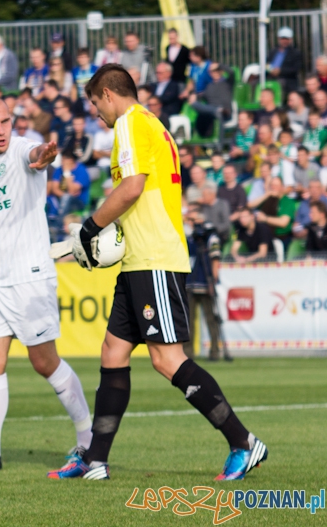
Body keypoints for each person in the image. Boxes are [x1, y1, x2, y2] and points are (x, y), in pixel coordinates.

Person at [55, 65, 266, 481]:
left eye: (96, 105)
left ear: (109, 95)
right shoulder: (153, 124)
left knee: (167, 360)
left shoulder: (130, 123)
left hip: (155, 259)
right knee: (112, 353)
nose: (97, 115)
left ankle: (243, 442)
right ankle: (95, 459)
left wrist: (90, 227)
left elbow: (132, 187)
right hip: (138, 260)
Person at [0, 94, 92, 473]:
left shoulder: (23, 148)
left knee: (44, 362)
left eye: (5, 121)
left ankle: (88, 440)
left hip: (29, 277)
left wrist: (45, 155)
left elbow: (35, 155)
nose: (1, 130)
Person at [183, 207, 223, 360]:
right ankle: (188, 352)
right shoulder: (189, 236)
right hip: (190, 282)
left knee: (211, 319)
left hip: (205, 281)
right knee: (189, 321)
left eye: (193, 220)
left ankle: (214, 350)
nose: (191, 223)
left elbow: (215, 258)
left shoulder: (210, 236)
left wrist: (213, 279)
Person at [188, 62, 232, 136]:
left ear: (220, 71)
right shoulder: (209, 86)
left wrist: (219, 65)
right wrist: (194, 95)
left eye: (217, 70)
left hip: (225, 112)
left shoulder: (227, 83)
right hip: (211, 111)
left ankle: (218, 110)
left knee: (217, 113)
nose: (215, 72)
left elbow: (231, 72)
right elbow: (202, 96)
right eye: (212, 71)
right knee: (195, 104)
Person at [48, 149, 91, 220]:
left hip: (78, 202)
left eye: (64, 159)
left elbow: (72, 190)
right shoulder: (59, 170)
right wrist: (63, 196)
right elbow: (54, 188)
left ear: (71, 160)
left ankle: (59, 224)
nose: (62, 162)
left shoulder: (82, 171)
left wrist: (67, 173)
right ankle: (50, 221)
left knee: (66, 198)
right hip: (60, 198)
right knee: (50, 199)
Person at [253, 176, 296, 246]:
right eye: (272, 185)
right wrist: (267, 194)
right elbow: (251, 205)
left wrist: (265, 219)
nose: (273, 188)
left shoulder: (288, 201)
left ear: (282, 187)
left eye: (276, 185)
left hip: (283, 238)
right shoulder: (268, 199)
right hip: (266, 237)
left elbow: (283, 222)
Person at [268, 27, 303, 96]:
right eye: (282, 38)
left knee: (279, 83)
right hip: (271, 77)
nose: (284, 41)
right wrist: (270, 70)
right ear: (279, 39)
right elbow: (267, 64)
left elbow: (296, 69)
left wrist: (280, 71)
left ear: (291, 40)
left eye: (287, 39)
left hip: (287, 80)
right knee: (256, 83)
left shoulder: (295, 53)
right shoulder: (273, 51)